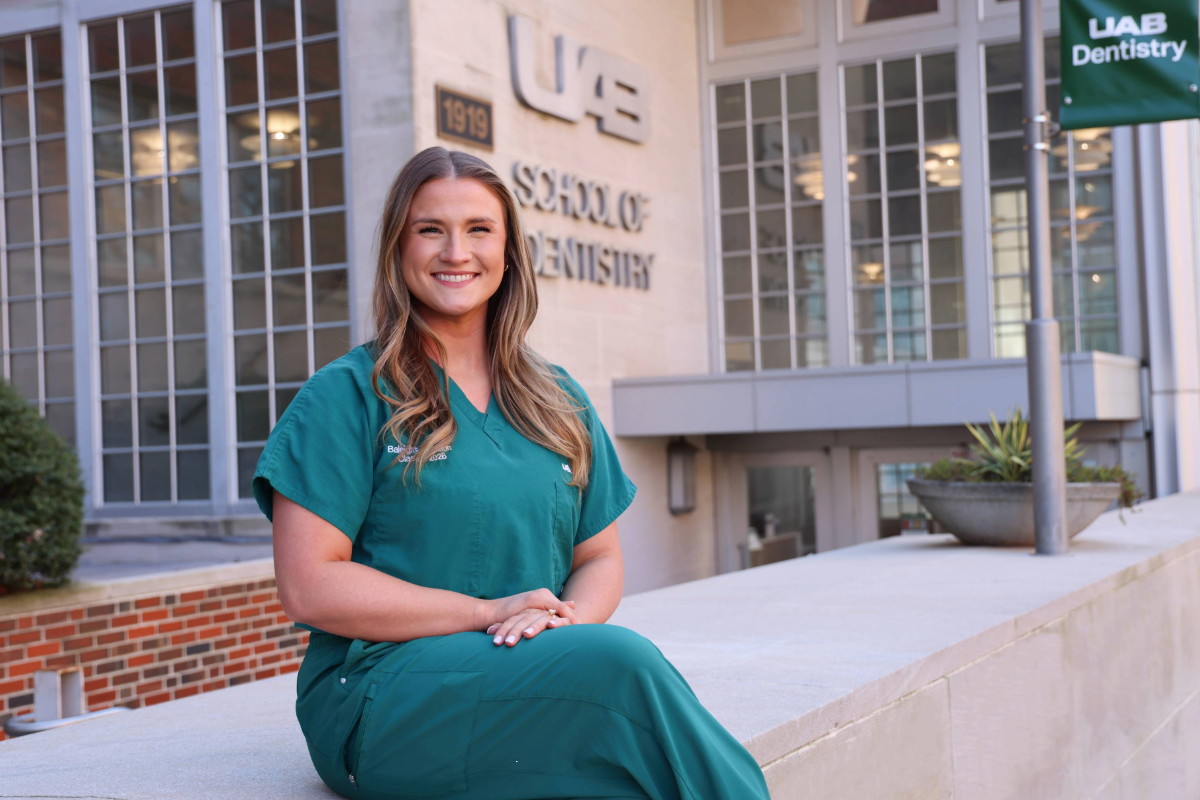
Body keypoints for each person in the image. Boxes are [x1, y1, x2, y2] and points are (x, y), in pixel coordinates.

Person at [253, 146, 771, 800]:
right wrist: (486, 612)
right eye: (430, 229)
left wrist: (565, 630)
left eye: (479, 229)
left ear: (508, 251)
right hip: (384, 695)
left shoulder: (557, 398)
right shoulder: (347, 396)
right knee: (624, 662)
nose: (456, 251)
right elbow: (309, 586)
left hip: (532, 677)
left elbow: (600, 556)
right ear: (398, 247)